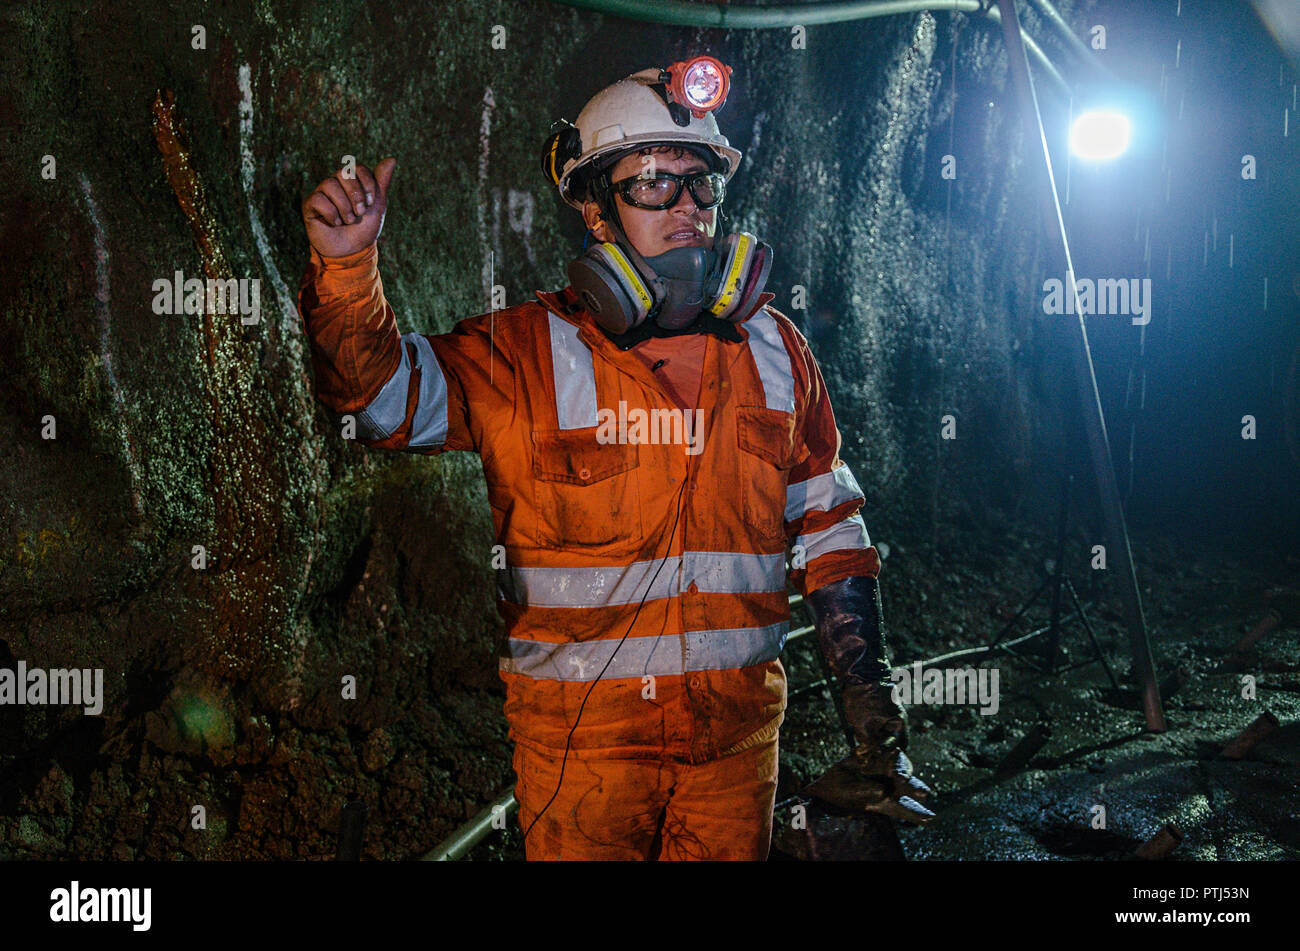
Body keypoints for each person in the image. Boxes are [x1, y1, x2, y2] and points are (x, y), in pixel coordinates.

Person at [297, 59, 929, 861]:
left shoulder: (775, 349)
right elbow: (376, 398)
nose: (688, 208)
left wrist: (872, 714)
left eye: (700, 185)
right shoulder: (522, 354)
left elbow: (832, 531)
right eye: (654, 184)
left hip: (735, 749)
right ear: (597, 212)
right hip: (583, 754)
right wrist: (350, 268)